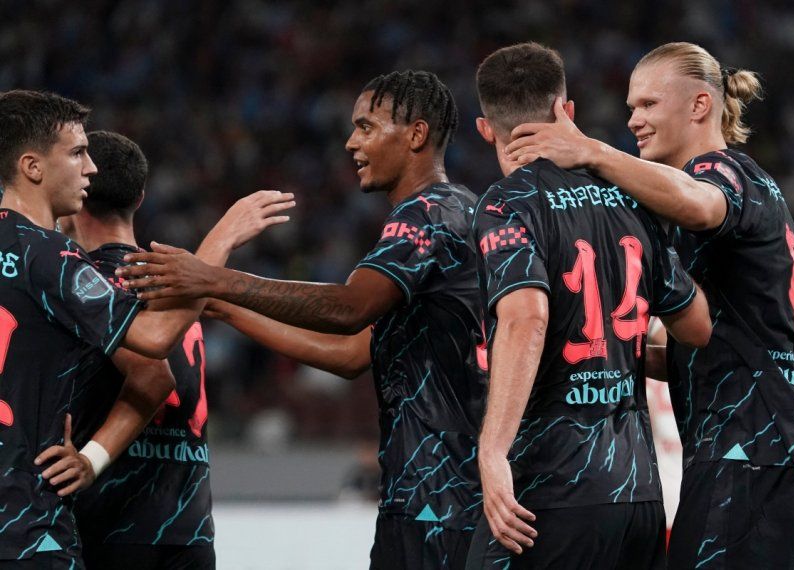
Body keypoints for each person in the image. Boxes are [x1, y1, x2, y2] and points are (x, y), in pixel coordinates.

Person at [118, 71, 487, 570]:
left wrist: (213, 279)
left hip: (434, 496)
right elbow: (353, 354)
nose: (351, 141)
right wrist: (223, 306)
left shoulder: (424, 216)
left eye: (366, 126)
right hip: (458, 489)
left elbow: (348, 309)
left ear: (416, 135)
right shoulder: (467, 209)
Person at [505, 41, 794, 569]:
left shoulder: (727, 174)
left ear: (700, 105)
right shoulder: (695, 204)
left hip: (751, 455)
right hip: (752, 457)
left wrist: (593, 152)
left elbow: (699, 205)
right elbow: (715, 343)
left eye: (649, 104)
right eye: (631, 106)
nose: (633, 120)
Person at [0, 90, 292, 568]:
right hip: (38, 530)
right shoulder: (52, 257)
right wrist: (222, 238)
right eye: (77, 153)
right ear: (33, 167)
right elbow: (156, 347)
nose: (89, 168)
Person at [466, 42, 712, 570]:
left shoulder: (505, 204)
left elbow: (526, 318)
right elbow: (695, 326)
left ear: (486, 128)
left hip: (550, 489)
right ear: (566, 111)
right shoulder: (629, 197)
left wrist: (492, 452)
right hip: (637, 495)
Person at [60, 131, 237, 569]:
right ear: (140, 198)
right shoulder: (181, 283)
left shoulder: (72, 283)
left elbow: (153, 375)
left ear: (77, 193)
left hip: (106, 526)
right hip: (189, 529)